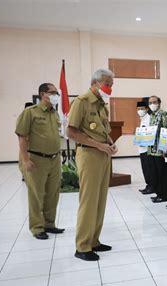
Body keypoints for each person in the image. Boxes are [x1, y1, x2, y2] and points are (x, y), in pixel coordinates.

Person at [67, 69, 118, 261]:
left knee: (100, 200)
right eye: (107, 83)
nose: (109, 88)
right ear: (94, 83)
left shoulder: (101, 105)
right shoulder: (81, 102)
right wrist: (99, 145)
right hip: (88, 154)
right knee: (88, 201)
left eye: (111, 84)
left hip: (103, 155)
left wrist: (110, 143)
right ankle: (82, 246)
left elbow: (105, 131)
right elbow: (71, 132)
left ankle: (94, 240)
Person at [15, 83, 65, 240]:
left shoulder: (55, 114)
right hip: (36, 159)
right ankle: (37, 227)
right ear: (43, 94)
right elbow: (22, 137)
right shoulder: (30, 112)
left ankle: (49, 224)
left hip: (54, 159)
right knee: (37, 195)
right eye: (53, 92)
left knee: (53, 193)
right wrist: (25, 160)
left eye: (57, 92)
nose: (56, 95)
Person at [147, 95, 167, 203]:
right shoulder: (151, 115)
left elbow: (166, 131)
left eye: (154, 102)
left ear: (159, 103)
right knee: (155, 173)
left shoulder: (163, 114)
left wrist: (164, 149)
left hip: (160, 150)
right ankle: (158, 193)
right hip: (152, 150)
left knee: (162, 174)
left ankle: (163, 195)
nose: (152, 104)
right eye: (150, 102)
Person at [136, 99, 154, 195]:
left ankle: (151, 187)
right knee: (145, 169)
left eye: (142, 108)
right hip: (142, 148)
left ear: (147, 109)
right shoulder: (142, 119)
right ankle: (148, 186)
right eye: (138, 109)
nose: (140, 110)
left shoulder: (149, 118)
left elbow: (150, 133)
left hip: (147, 149)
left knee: (149, 169)